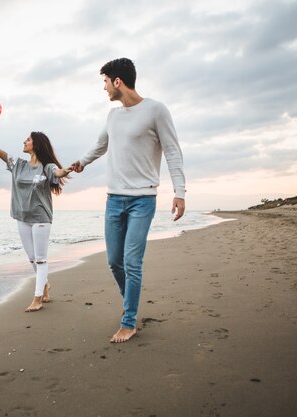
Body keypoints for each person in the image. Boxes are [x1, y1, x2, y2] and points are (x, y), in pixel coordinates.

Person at [71, 58, 186, 343]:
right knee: (114, 262)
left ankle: (129, 320)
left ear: (118, 81)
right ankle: (130, 302)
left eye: (105, 82)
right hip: (113, 200)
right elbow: (100, 145)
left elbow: (172, 151)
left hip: (142, 200)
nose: (104, 88)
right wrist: (81, 163)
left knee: (132, 262)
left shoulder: (156, 110)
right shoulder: (113, 116)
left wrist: (180, 192)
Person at [0, 118, 73, 312]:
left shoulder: (47, 166)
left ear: (36, 144)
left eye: (27, 139)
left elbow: (58, 173)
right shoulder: (18, 165)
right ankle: (44, 284)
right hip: (22, 218)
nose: (24, 142)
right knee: (32, 258)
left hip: (41, 218)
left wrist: (67, 169)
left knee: (41, 258)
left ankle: (37, 298)